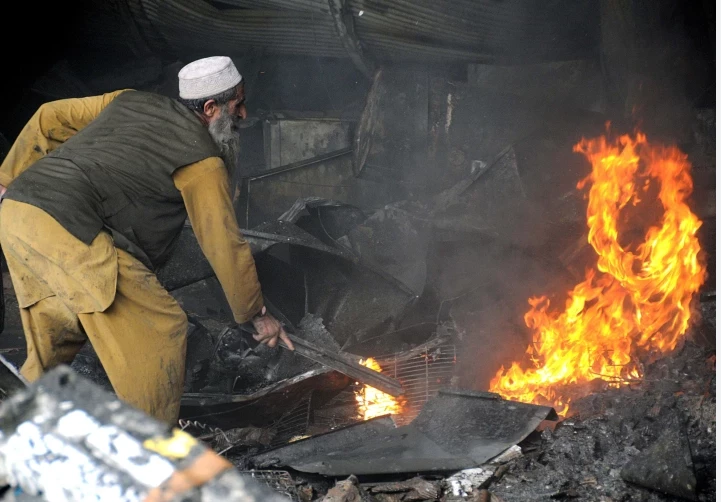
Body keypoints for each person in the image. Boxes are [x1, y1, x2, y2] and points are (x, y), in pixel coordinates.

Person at [0, 56, 293, 423]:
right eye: (237, 105)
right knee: (163, 328)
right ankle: (150, 451)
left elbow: (48, 117)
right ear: (209, 108)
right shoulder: (202, 162)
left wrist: (8, 179)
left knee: (59, 328)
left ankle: (12, 432)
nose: (245, 115)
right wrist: (254, 314)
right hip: (70, 227)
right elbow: (223, 245)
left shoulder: (129, 100)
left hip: (17, 211)